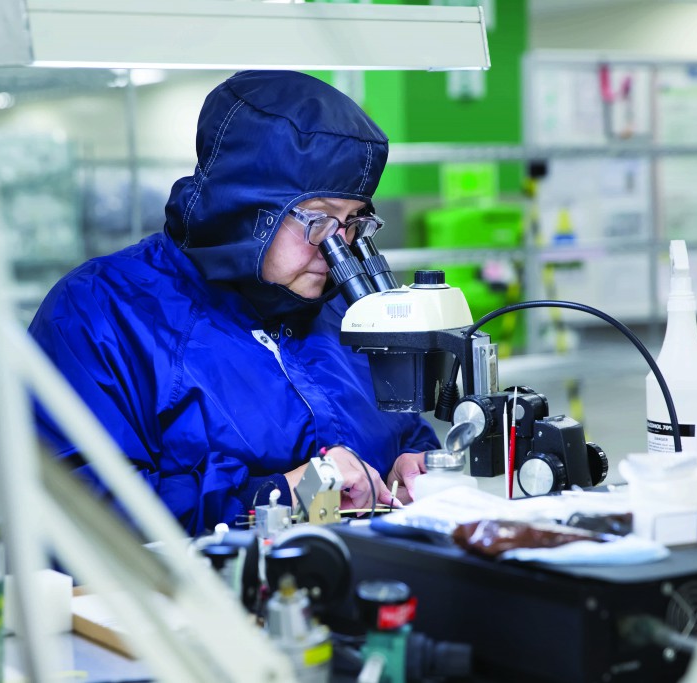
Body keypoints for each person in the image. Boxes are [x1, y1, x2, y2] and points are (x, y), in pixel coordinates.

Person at [28, 70, 440, 536]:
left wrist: (405, 470)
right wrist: (281, 495)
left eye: (353, 222)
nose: (337, 249)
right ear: (243, 210)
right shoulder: (101, 313)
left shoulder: (342, 313)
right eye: (319, 221)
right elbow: (76, 508)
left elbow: (404, 432)